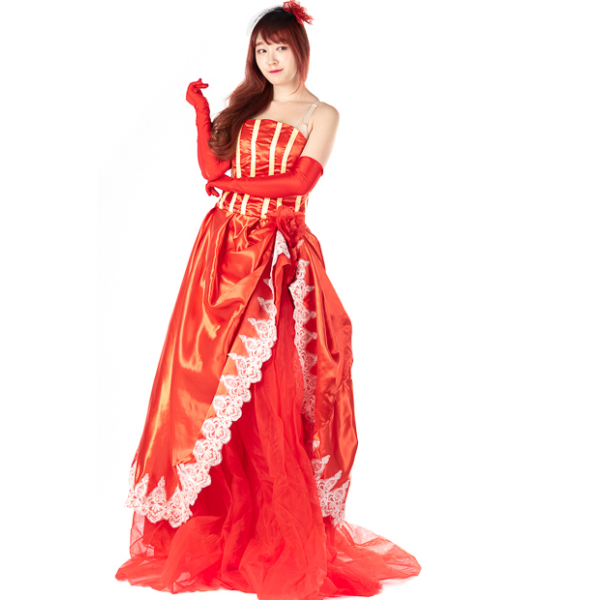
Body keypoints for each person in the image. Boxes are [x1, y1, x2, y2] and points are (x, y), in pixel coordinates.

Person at [115, 2, 421, 597]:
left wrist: (228, 184)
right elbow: (211, 165)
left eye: (279, 47)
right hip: (221, 248)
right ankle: (225, 517)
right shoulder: (247, 105)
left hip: (277, 253)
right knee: (206, 379)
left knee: (274, 381)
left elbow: (300, 182)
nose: (270, 59)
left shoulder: (321, 113)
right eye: (261, 49)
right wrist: (202, 115)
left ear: (300, 51)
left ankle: (277, 532)